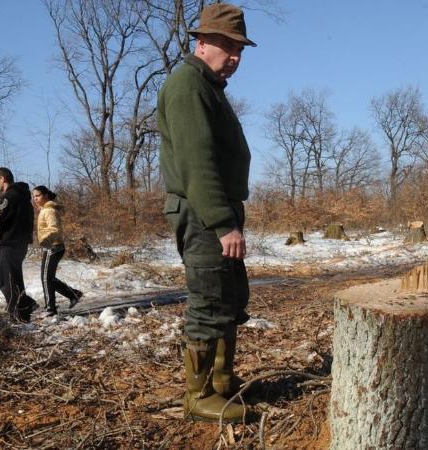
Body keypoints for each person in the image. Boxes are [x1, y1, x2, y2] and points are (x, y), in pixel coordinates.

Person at [156, 2, 256, 423]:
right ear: (201, 42)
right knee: (209, 302)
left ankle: (220, 382)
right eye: (226, 45)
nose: (234, 56)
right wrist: (222, 223)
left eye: (239, 49)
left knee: (230, 299)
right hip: (202, 214)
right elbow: (198, 163)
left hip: (215, 212)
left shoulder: (208, 86)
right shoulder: (188, 85)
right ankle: (197, 398)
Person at [0, 167, 38, 322]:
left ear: (2, 179)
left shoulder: (10, 197)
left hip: (11, 243)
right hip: (19, 243)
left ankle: (18, 314)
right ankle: (24, 308)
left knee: (6, 279)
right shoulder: (22, 196)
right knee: (8, 278)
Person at [31, 185, 83, 317]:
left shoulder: (49, 211)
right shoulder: (45, 209)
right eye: (33, 196)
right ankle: (73, 295)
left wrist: (46, 242)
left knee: (46, 278)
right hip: (53, 247)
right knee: (48, 278)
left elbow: (54, 229)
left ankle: (50, 309)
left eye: (37, 196)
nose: (35, 198)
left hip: (53, 247)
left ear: (46, 195)